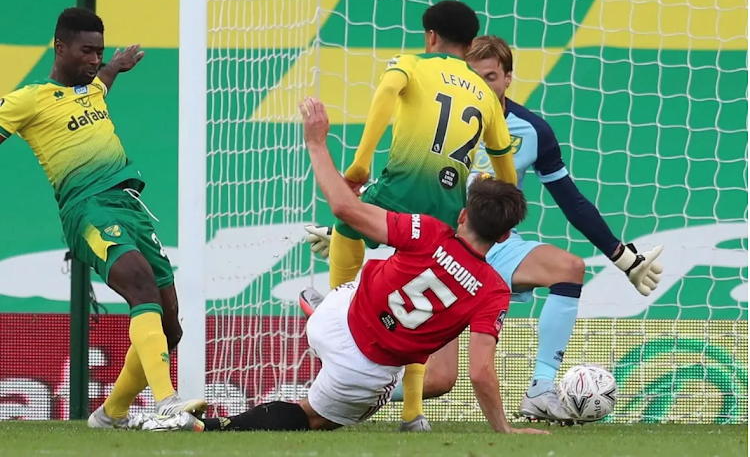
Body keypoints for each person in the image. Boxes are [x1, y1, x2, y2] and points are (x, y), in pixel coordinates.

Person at [128, 97, 547, 435]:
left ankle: (322, 300)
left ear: (462, 216)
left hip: (337, 317)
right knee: (313, 419)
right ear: (505, 236)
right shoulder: (494, 290)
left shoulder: (429, 230)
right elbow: (479, 371)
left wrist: (315, 142)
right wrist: (504, 427)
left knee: (382, 257)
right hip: (365, 367)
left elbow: (345, 207)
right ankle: (210, 428)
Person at [303, 36, 666, 424]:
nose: (483, 84)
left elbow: (571, 200)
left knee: (569, 267)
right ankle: (352, 383)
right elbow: (412, 193)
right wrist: (348, 228)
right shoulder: (439, 114)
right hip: (448, 248)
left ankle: (541, 390)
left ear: (508, 78)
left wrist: (621, 256)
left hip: (497, 246)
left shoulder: (532, 130)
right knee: (441, 379)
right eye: (475, 76)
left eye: (491, 76)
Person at [307, 0, 517, 431]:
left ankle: (336, 298)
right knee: (423, 300)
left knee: (347, 221)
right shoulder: (486, 95)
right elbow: (502, 161)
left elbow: (386, 94)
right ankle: (412, 413)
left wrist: (361, 163)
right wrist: (506, 206)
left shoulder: (412, 64)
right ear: (470, 43)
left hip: (404, 185)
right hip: (449, 208)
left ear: (431, 37)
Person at [0, 7, 207, 428]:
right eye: (87, 51)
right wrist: (109, 67)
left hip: (131, 207)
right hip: (87, 209)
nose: (95, 60)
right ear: (59, 47)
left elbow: (101, 82)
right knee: (140, 284)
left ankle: (110, 414)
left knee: (170, 329)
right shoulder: (29, 100)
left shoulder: (93, 87)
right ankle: (167, 402)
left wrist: (115, 66)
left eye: (99, 52)